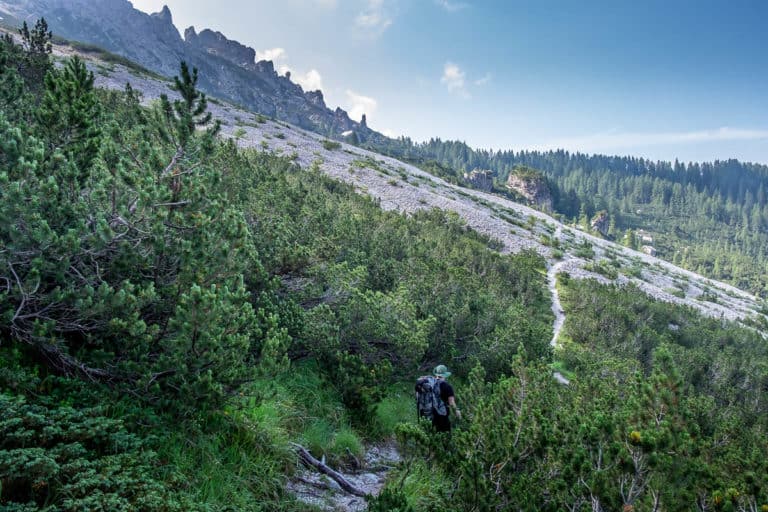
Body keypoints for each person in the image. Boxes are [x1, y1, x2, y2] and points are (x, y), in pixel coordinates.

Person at [428, 364, 461, 432]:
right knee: (444, 436)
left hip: (430, 414)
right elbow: (451, 402)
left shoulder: (430, 383)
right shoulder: (447, 387)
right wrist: (457, 412)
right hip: (442, 415)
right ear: (445, 375)